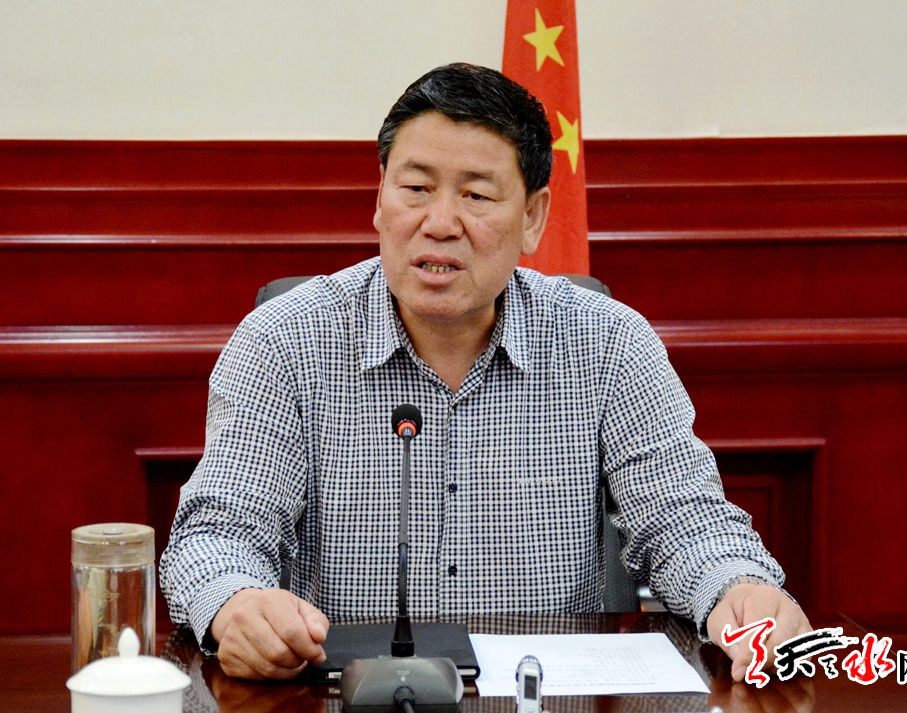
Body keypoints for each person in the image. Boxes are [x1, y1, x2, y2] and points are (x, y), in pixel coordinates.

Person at [160, 62, 810, 682]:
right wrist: (236, 604)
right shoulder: (284, 342)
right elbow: (216, 535)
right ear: (380, 199)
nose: (440, 223)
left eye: (475, 195)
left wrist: (738, 588)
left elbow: (686, 523)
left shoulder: (609, 345)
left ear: (533, 218)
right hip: (349, 696)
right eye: (416, 189)